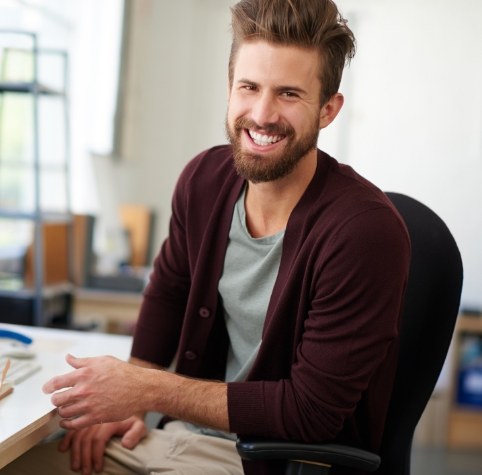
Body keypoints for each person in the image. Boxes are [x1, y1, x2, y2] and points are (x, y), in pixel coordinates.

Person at [2, 0, 410, 474]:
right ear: (229, 88)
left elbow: (310, 411)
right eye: (249, 87)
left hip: (283, 462)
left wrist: (147, 390)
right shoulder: (204, 180)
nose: (262, 114)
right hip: (186, 440)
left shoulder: (364, 232)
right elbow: (169, 293)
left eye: (289, 95)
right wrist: (128, 406)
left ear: (328, 110)